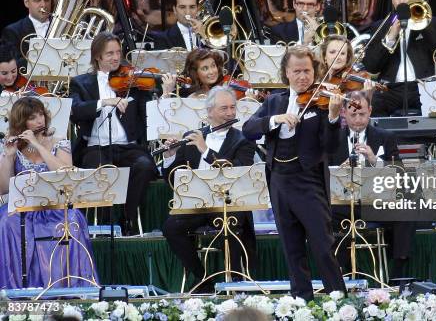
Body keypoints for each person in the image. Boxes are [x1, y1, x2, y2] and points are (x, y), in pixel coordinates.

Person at [242, 46, 346, 300]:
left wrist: (333, 117)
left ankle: (338, 299)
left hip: (308, 180)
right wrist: (275, 120)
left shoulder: (322, 103)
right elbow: (248, 129)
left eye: (308, 71)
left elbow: (333, 148)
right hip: (278, 179)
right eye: (297, 71)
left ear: (315, 71)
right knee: (292, 247)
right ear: (286, 73)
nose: (303, 77)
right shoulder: (274, 102)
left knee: (322, 245)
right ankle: (301, 300)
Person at [161, 86, 257, 292]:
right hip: (197, 204)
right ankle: (203, 278)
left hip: (230, 204)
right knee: (171, 227)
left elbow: (235, 173)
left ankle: (235, 283)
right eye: (224, 108)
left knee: (228, 225)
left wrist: (205, 150)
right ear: (210, 112)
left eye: (233, 108)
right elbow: (172, 177)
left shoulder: (244, 140)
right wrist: (170, 155)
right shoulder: (193, 136)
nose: (230, 113)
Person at [0, 97, 97, 289]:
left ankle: (70, 286)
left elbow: (65, 175)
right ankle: (14, 288)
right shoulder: (13, 147)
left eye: (41, 115)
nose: (39, 121)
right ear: (21, 123)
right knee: (5, 221)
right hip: (23, 208)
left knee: (74, 219)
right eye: (32, 118)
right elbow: (3, 188)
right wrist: (9, 155)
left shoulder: (59, 142)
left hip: (56, 206)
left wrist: (37, 145)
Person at [69, 32, 158, 235]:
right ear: (97, 56)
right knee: (98, 170)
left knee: (144, 166)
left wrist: (166, 90)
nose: (116, 57)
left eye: (118, 52)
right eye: (109, 53)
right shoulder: (81, 83)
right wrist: (104, 102)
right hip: (95, 147)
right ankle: (105, 224)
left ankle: (128, 217)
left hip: (128, 147)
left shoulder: (132, 82)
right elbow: (76, 110)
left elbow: (149, 112)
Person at [328, 90, 416, 278]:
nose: (358, 120)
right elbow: (321, 173)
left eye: (362, 114)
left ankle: (397, 274)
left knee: (407, 211)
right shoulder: (332, 138)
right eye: (353, 114)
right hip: (342, 204)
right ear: (344, 113)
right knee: (324, 215)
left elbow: (398, 174)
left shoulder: (385, 137)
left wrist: (374, 160)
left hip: (375, 202)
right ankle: (338, 274)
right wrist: (340, 170)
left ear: (370, 111)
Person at [361, 0, 436, 117]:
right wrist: (390, 37)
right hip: (390, 89)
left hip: (422, 86)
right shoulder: (380, 26)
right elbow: (371, 66)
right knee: (373, 106)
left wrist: (424, 25)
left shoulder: (433, 23)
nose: (402, 1)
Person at [1, 0, 52, 70]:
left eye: (46, 0)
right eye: (37, 0)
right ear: (26, 2)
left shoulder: (64, 26)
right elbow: (13, 65)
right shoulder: (12, 31)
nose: (43, 5)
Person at [319, 34, 376, 99]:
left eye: (342, 53)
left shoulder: (354, 82)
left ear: (347, 57)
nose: (337, 57)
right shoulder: (314, 76)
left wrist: (367, 95)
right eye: (332, 52)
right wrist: (322, 85)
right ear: (324, 56)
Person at [161, 48, 226, 98]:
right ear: (195, 73)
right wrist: (167, 93)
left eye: (213, 66)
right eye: (205, 68)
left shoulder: (224, 90)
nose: (211, 72)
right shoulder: (191, 98)